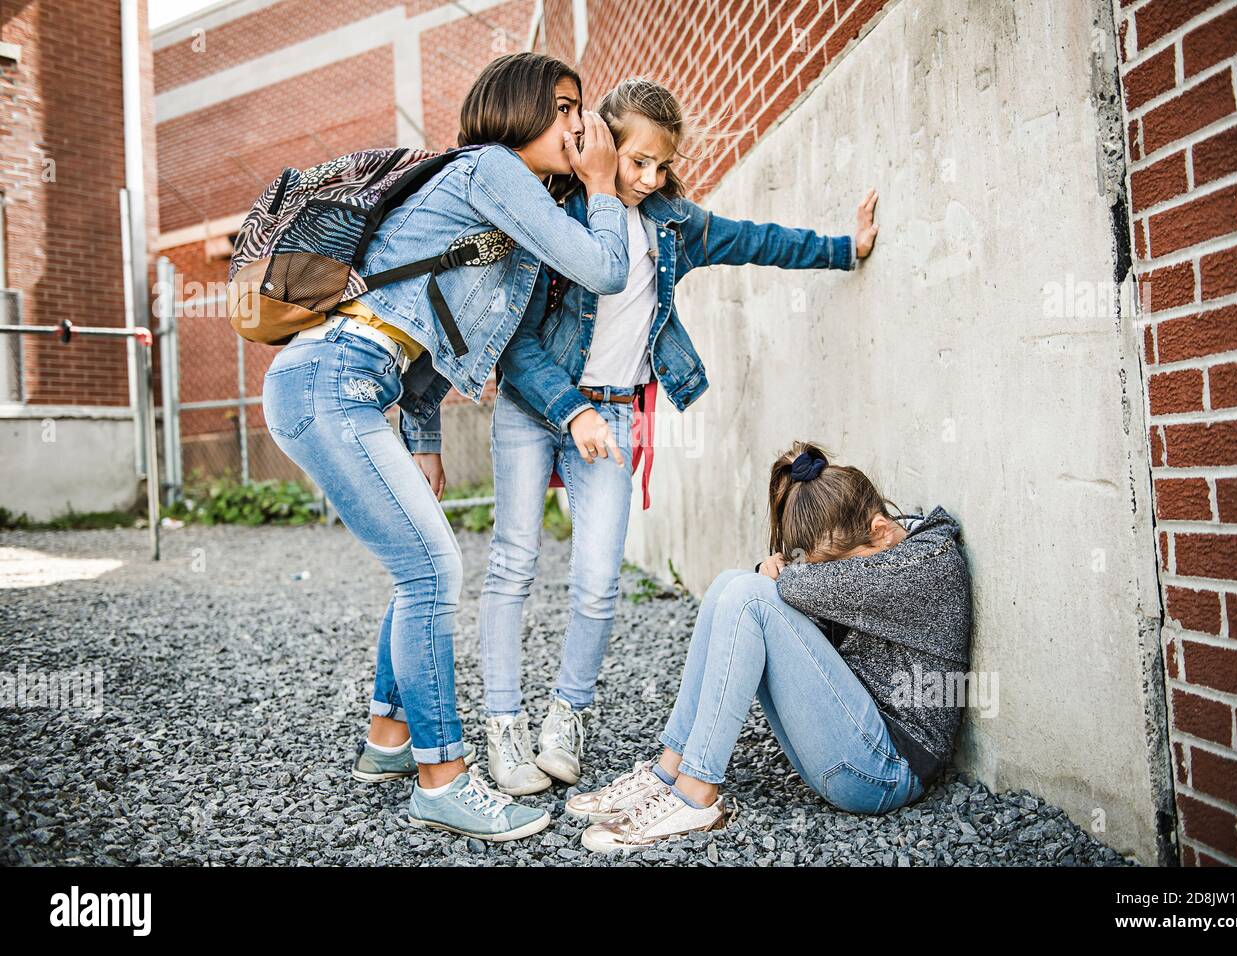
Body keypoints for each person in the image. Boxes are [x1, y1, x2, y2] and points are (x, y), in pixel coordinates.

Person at [261, 52, 630, 843]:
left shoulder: (505, 215)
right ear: (518, 108)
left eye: (583, 109)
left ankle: (390, 738)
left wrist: (423, 438)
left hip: (358, 382)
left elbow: (434, 331)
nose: (578, 122)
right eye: (565, 106)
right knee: (433, 569)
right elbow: (603, 269)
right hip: (333, 378)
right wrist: (601, 186)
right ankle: (444, 777)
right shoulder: (492, 168)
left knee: (416, 562)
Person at [478, 77, 883, 796]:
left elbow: (755, 240)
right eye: (635, 161)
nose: (648, 178)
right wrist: (570, 408)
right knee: (513, 561)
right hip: (534, 408)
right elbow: (511, 339)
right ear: (601, 143)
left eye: (661, 165)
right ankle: (504, 725)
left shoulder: (670, 226)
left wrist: (844, 247)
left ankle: (565, 714)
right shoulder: (554, 214)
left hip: (616, 413)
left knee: (599, 583)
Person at [567, 442, 973, 853]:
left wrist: (776, 572)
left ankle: (696, 795)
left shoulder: (925, 565)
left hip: (884, 773)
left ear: (882, 531)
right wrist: (776, 572)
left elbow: (793, 589)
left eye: (832, 567)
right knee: (730, 583)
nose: (825, 575)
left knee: (750, 594)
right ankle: (667, 771)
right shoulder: (886, 544)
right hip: (853, 742)